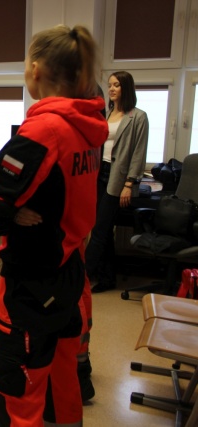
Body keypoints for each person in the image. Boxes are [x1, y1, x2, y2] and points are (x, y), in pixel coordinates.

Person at [0, 25, 108, 426]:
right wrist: (16, 208)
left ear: (35, 69)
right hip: (70, 273)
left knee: (19, 389)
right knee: (62, 381)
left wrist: (10, 211)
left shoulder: (42, 131)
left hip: (30, 287)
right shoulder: (88, 127)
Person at [85, 71, 149, 294]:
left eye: (117, 85)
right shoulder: (107, 114)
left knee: (99, 231)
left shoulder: (138, 117)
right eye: (110, 85)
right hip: (99, 173)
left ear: (126, 88)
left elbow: (138, 153)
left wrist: (129, 184)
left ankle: (81, 278)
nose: (111, 89)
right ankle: (107, 278)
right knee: (103, 230)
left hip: (118, 178)